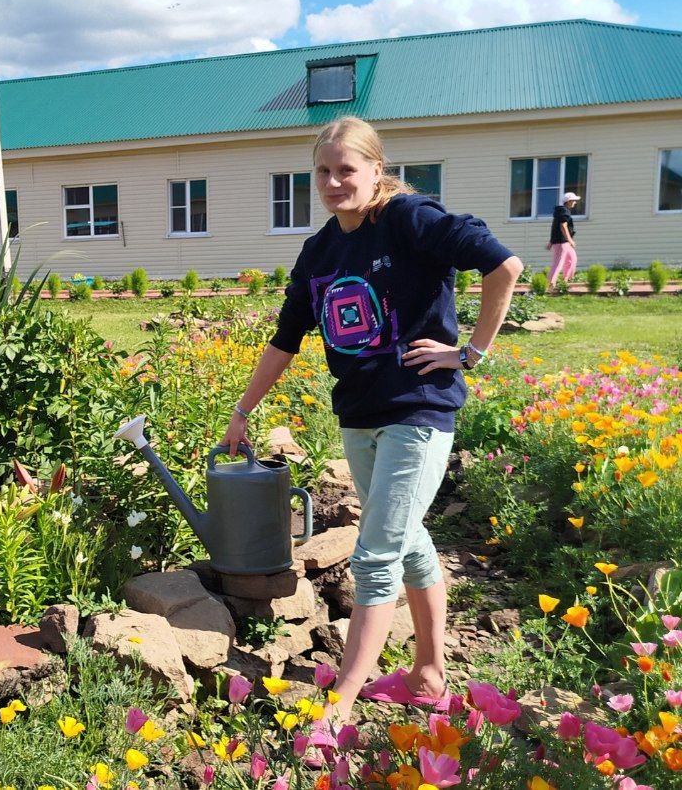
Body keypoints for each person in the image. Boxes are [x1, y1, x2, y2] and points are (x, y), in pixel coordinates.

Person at [219, 116, 523, 731]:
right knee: (409, 543)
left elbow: (503, 265)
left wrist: (469, 352)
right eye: (324, 172)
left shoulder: (410, 220)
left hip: (419, 409)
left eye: (346, 170)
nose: (334, 182)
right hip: (358, 416)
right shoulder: (321, 248)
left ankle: (338, 707)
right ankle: (429, 677)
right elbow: (286, 338)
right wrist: (243, 409)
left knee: (377, 553)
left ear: (375, 170)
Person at [548, 191, 580, 290]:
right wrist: (570, 240)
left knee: (572, 259)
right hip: (562, 242)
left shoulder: (562, 211)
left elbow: (554, 227)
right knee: (558, 263)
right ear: (569, 201)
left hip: (563, 242)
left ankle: (565, 281)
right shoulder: (564, 211)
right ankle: (550, 285)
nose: (575, 202)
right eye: (574, 200)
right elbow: (562, 226)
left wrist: (551, 241)